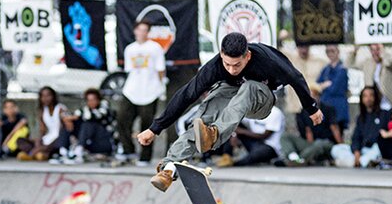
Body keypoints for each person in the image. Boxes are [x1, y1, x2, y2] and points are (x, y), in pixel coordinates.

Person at [137, 32, 323, 191]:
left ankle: (215, 134)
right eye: (227, 64)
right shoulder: (214, 66)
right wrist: (155, 128)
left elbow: (295, 77)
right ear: (221, 54)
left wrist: (311, 108)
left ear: (247, 56)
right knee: (208, 106)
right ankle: (169, 167)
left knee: (248, 87)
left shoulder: (267, 59)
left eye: (237, 65)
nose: (232, 69)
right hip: (234, 94)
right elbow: (186, 94)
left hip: (261, 101)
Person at [117, 20, 166, 165]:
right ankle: (128, 150)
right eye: (140, 30)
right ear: (135, 31)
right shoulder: (130, 49)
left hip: (150, 91)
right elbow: (129, 70)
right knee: (122, 119)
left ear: (148, 32)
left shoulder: (155, 48)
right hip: (131, 90)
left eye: (145, 30)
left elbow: (160, 69)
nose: (142, 33)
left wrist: (161, 87)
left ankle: (145, 156)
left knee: (147, 124)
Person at [277, 85, 341, 166]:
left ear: (318, 96)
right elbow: (308, 131)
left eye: (314, 95)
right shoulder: (302, 112)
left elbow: (334, 128)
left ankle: (299, 160)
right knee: (285, 136)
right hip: (310, 144)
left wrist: (341, 145)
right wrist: (310, 147)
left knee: (319, 143)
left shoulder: (328, 109)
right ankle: (292, 157)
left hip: (327, 142)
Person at [332, 86, 391, 168]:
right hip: (362, 150)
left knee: (377, 148)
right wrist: (356, 151)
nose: (368, 98)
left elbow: (379, 136)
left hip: (374, 149)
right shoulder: (361, 117)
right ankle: (359, 162)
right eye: (365, 96)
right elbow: (356, 137)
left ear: (376, 97)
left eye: (371, 95)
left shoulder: (384, 114)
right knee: (336, 149)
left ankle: (356, 162)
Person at [218, 102, 285, 167]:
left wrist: (241, 131)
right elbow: (235, 122)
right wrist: (234, 134)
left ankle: (236, 163)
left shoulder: (275, 112)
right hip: (254, 142)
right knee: (233, 124)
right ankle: (226, 156)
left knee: (256, 155)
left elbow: (265, 135)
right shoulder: (253, 110)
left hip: (269, 146)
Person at [61, 88, 116, 163]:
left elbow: (95, 116)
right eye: (89, 100)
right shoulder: (86, 109)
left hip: (104, 143)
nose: (91, 102)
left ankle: (79, 150)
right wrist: (68, 120)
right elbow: (73, 114)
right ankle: (63, 151)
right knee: (70, 123)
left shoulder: (104, 107)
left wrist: (73, 117)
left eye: (93, 100)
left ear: (98, 100)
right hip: (90, 143)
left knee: (89, 123)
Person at [17, 86, 68, 162]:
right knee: (20, 140)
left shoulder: (60, 108)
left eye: (48, 96)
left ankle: (31, 154)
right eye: (43, 96)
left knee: (51, 145)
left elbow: (63, 129)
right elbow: (42, 130)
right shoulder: (42, 110)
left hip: (58, 139)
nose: (45, 98)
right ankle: (40, 154)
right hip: (48, 138)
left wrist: (42, 146)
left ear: (53, 96)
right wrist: (38, 141)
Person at [353, 43, 392, 109]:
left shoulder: (391, 57)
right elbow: (349, 64)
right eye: (372, 50)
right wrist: (354, 52)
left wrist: (383, 54)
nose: (375, 52)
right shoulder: (368, 62)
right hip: (376, 105)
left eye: (378, 49)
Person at [283, 44, 327, 116]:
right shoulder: (291, 58)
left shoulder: (320, 60)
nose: (303, 50)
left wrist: (321, 87)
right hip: (296, 105)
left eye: (306, 46)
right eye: (301, 47)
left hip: (314, 105)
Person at [317, 45, 349, 132]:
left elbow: (334, 88)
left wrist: (324, 85)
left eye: (332, 51)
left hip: (338, 109)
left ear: (338, 52)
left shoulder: (342, 69)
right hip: (326, 108)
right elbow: (317, 86)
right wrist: (325, 85)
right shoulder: (326, 69)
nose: (330, 54)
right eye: (328, 51)